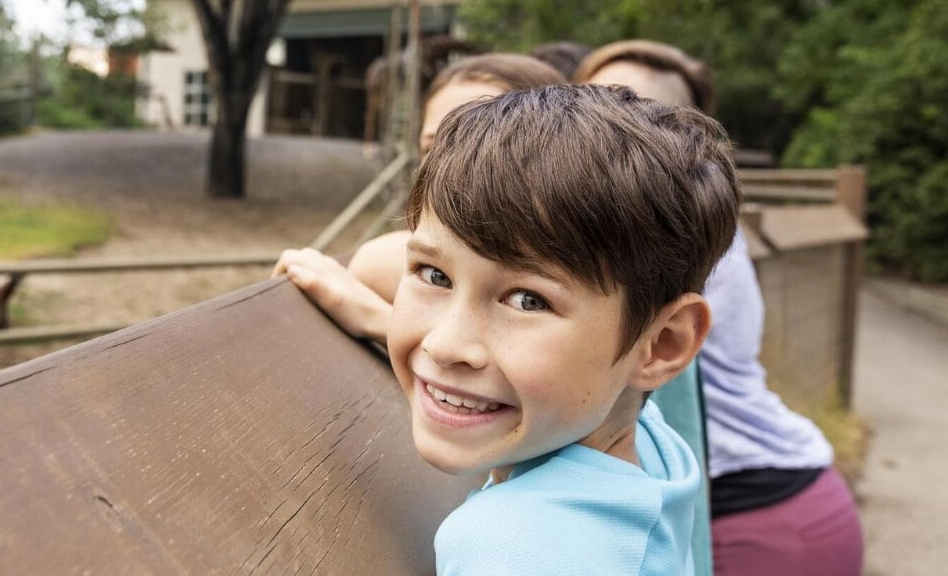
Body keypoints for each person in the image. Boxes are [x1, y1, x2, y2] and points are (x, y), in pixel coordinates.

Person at [280, 84, 739, 573]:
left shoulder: (509, 547)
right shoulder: (650, 450)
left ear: (662, 344)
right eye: (434, 275)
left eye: (527, 300)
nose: (445, 344)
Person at [576, 39, 863, 576]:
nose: (605, 124)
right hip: (783, 505)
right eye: (592, 102)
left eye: (631, 107)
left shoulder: (671, 222)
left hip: (762, 520)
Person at [346, 53, 566, 328]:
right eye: (433, 147)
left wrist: (378, 322)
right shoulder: (392, 258)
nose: (451, 166)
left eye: (484, 144)